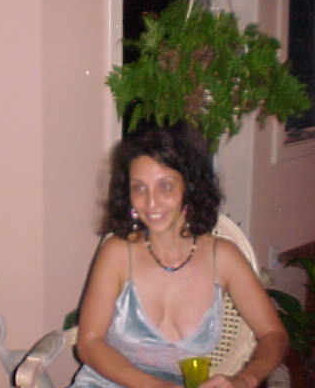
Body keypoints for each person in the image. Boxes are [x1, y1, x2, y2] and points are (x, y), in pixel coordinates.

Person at [70, 125, 288, 388]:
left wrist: (244, 379)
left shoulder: (223, 257)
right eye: (139, 188)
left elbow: (274, 334)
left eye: (165, 186)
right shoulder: (117, 253)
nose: (151, 203)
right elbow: (89, 343)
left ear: (189, 188)